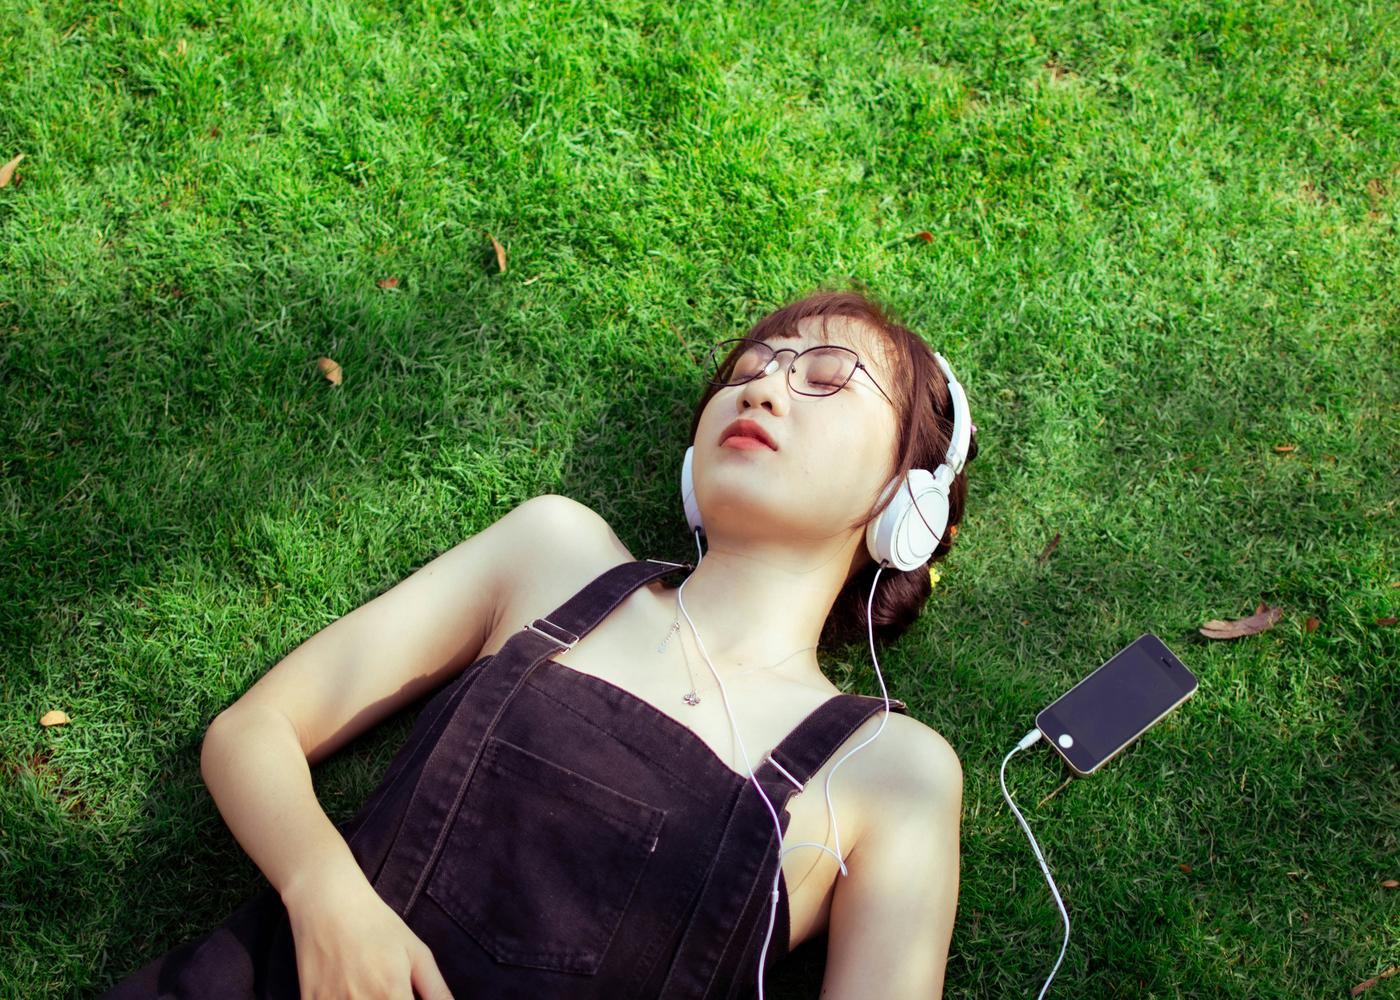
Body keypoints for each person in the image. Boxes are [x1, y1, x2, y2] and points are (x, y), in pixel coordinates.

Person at [98, 287, 977, 999]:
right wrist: (328, 900)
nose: (762, 388)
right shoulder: (554, 556)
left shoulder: (891, 770)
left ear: (907, 504)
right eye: (751, 369)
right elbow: (252, 733)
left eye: (827, 378)